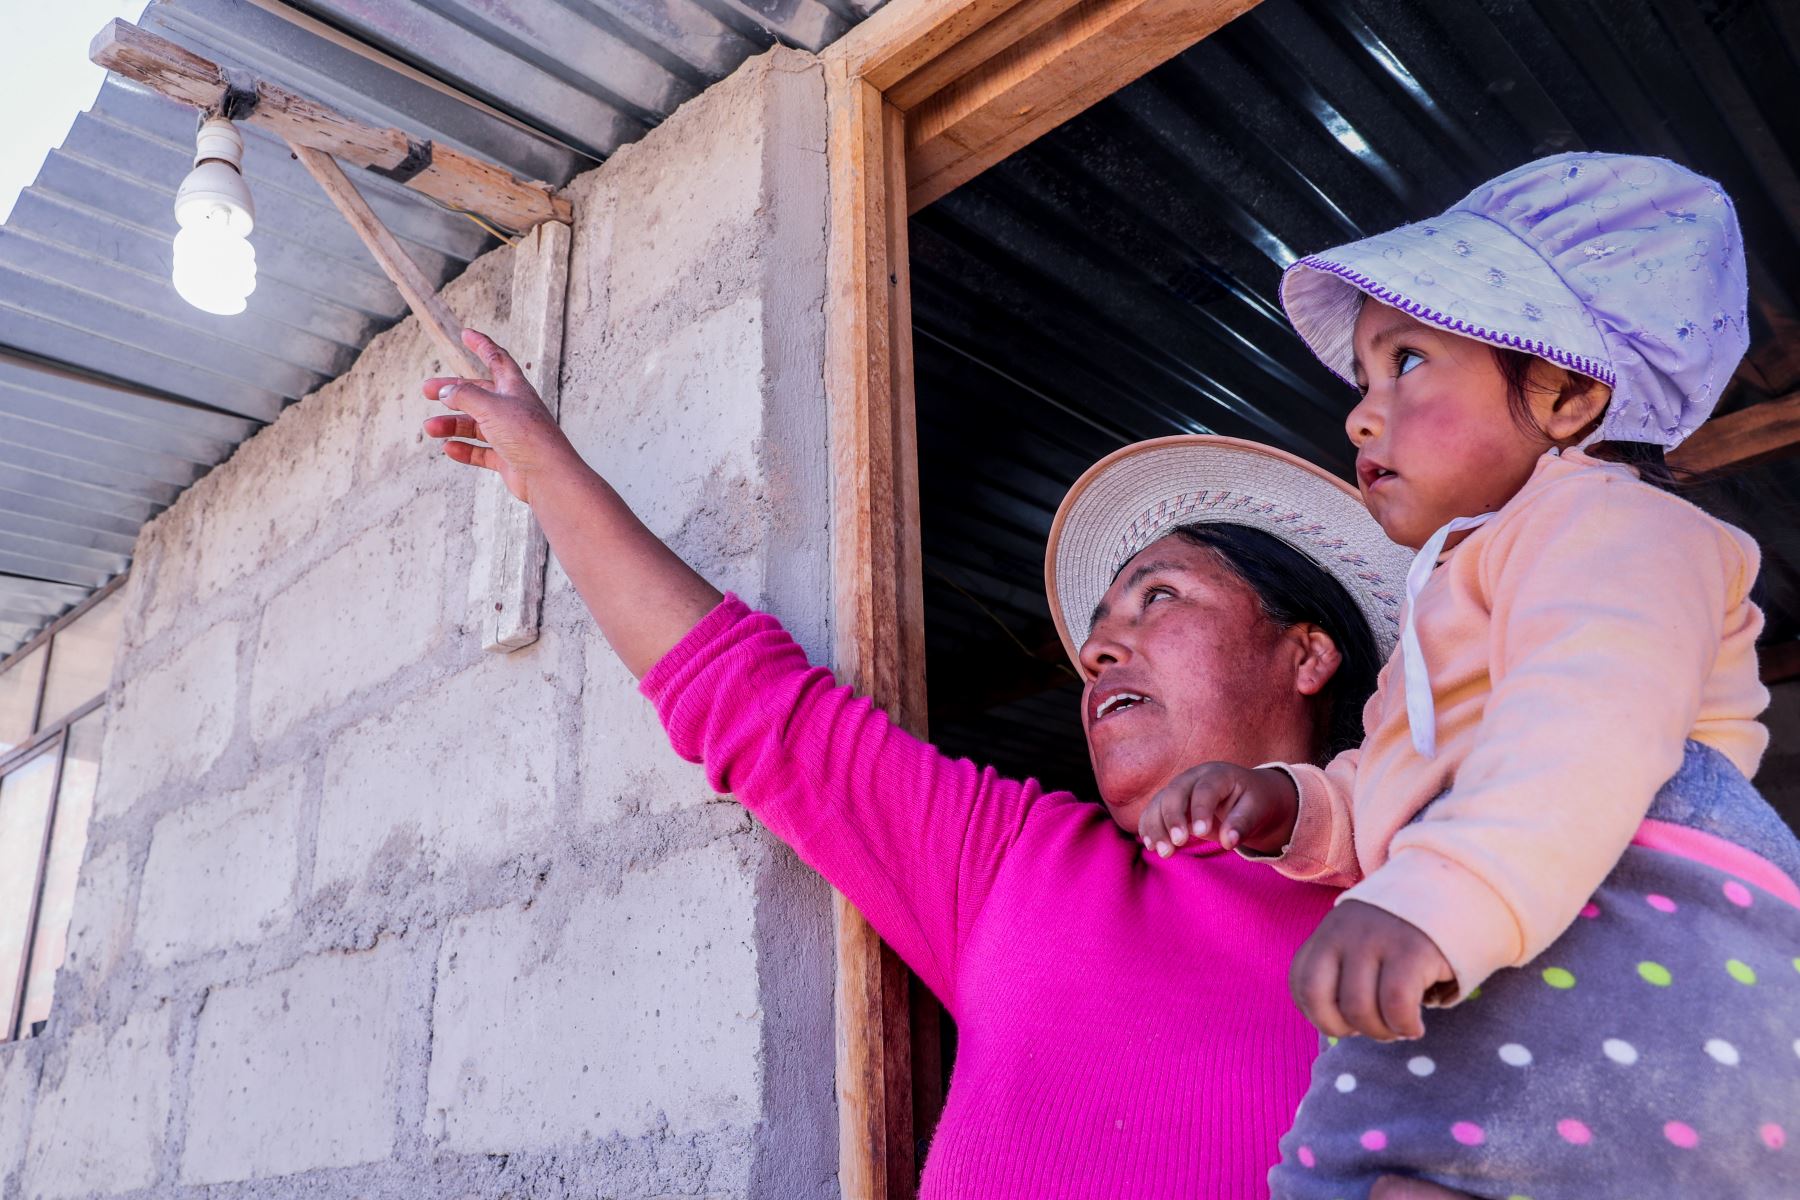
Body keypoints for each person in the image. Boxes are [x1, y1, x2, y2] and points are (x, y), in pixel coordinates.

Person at [420, 332, 1416, 1198]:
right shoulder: (1021, 864)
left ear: (1307, 654)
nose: (1099, 648)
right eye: (1098, 629)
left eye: (1158, 598)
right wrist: (547, 472)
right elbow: (745, 700)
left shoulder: (1439, 888)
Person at [1136, 153, 1800, 1198]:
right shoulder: (1458, 593)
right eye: (1364, 381)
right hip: (1525, 949)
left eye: (1405, 362)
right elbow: (1403, 780)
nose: (1360, 415)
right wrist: (1294, 807)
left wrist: (1443, 891)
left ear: (1569, 393)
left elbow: (1589, 724)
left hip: (1633, 954)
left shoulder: (1616, 523)